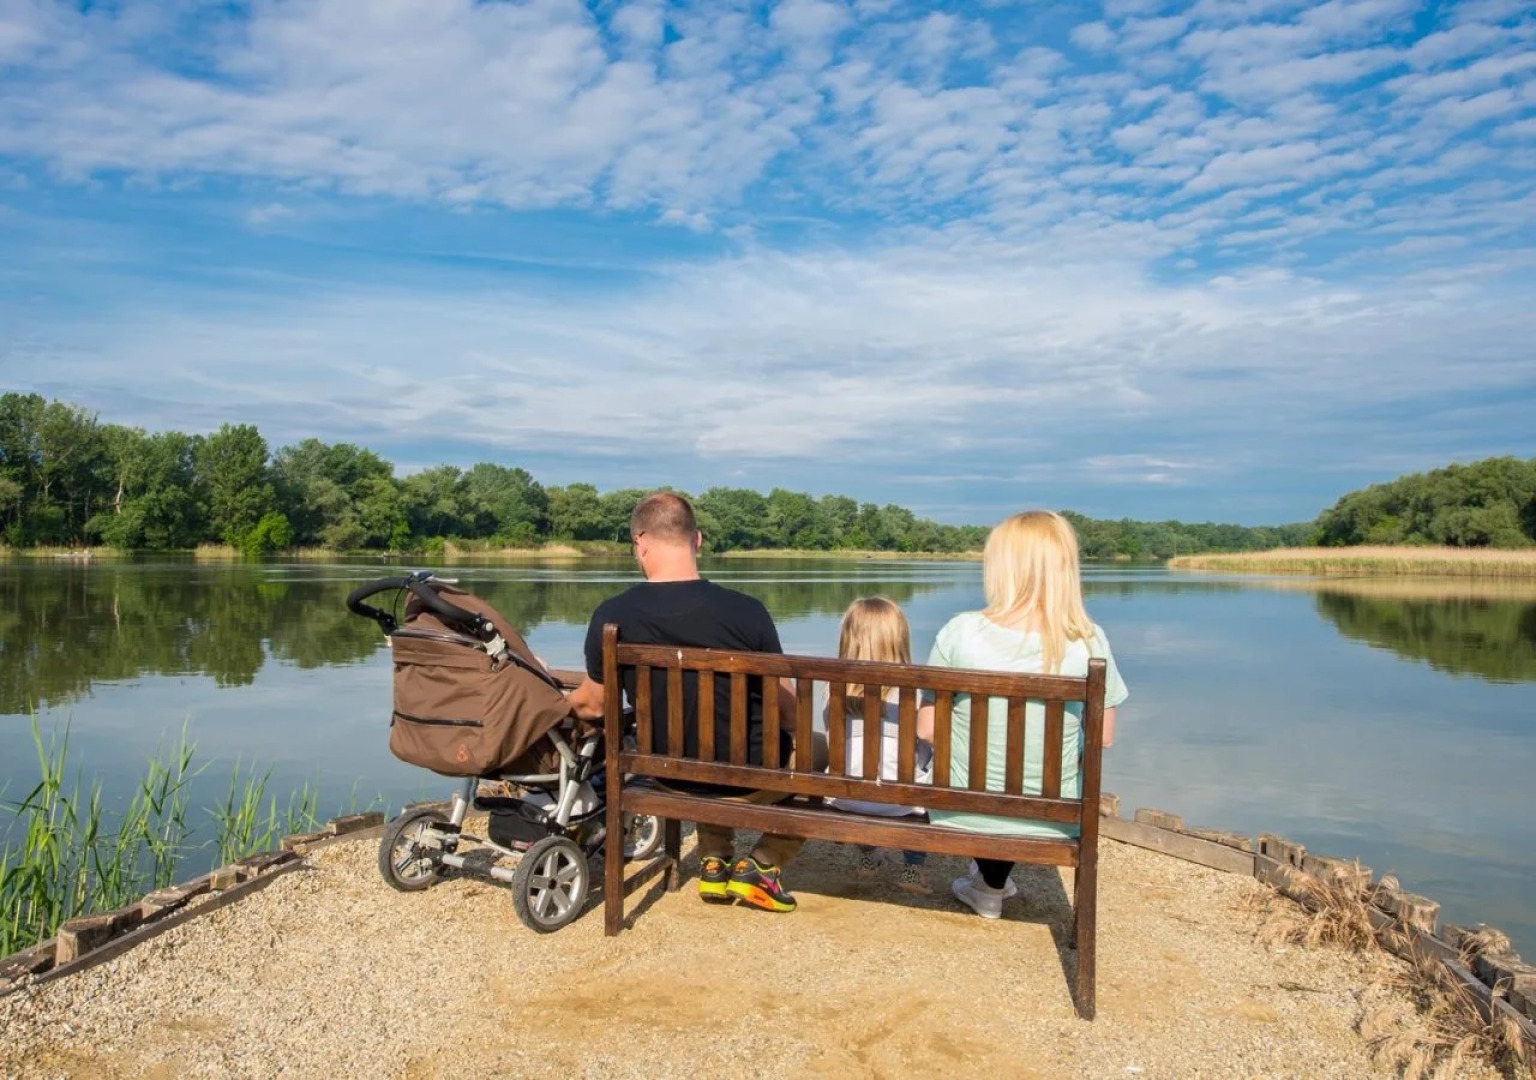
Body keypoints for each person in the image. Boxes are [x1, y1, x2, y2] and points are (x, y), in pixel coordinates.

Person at [566, 491, 809, 913]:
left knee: (702, 739)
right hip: (747, 778)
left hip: (661, 773)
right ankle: (762, 862)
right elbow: (788, 713)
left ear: (639, 542)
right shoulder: (747, 612)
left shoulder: (612, 614)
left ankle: (714, 861)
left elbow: (593, 707)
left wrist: (559, 698)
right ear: (697, 540)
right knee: (814, 749)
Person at [917, 510, 1129, 920]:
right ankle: (989, 885)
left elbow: (927, 730)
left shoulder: (960, 632)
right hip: (1054, 816)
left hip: (960, 806)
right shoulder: (1089, 641)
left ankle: (988, 884)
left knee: (976, 765)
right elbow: (1103, 738)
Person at [824, 597, 932, 896]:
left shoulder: (832, 690)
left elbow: (833, 735)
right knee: (922, 756)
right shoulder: (913, 691)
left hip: (845, 798)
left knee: (856, 760)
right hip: (904, 802)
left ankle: (869, 857)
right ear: (900, 639)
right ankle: (913, 866)